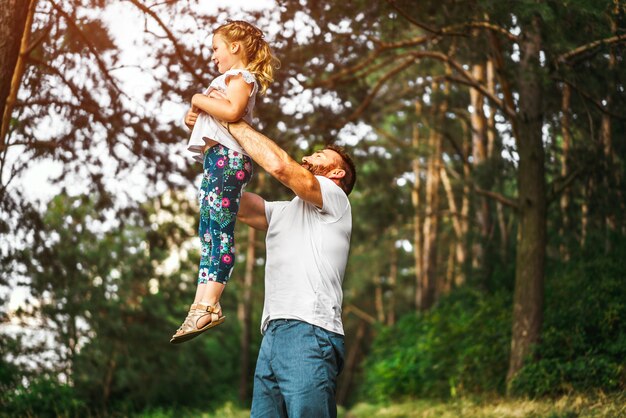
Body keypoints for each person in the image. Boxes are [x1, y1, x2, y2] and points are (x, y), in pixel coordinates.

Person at [219, 117, 356, 418]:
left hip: (309, 330)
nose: (308, 157)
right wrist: (213, 145)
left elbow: (281, 166)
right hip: (272, 334)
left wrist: (232, 122)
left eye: (319, 156)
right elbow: (231, 203)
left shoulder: (335, 199)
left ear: (336, 172)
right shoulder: (282, 212)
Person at [170, 20, 279, 344]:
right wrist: (195, 114)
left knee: (218, 231)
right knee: (208, 232)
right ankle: (199, 305)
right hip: (217, 160)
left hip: (230, 160)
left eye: (216, 48)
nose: (213, 56)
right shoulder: (227, 78)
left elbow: (232, 111)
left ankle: (210, 304)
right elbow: (218, 114)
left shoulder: (240, 77)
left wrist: (197, 99)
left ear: (234, 47)